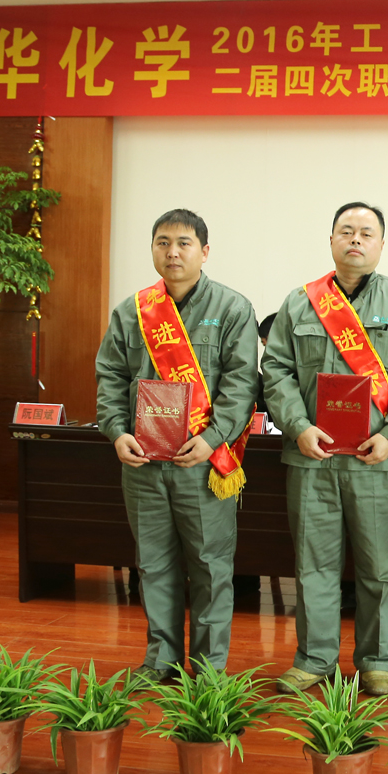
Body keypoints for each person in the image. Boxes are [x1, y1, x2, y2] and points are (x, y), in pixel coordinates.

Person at [262, 202, 388, 696]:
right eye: (346, 231)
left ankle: (377, 661)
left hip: (375, 458)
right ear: (332, 240)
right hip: (311, 457)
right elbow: (276, 372)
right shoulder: (300, 302)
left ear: (381, 244)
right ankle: (314, 659)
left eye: (366, 233)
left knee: (380, 566)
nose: (355, 240)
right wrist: (298, 427)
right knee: (313, 564)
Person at [94, 208, 259, 683]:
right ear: (152, 249)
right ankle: (160, 661)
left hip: (202, 464)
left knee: (210, 567)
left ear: (204, 252)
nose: (172, 252)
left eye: (184, 243)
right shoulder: (132, 311)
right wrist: (117, 432)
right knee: (153, 564)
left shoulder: (232, 308)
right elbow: (110, 376)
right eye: (162, 242)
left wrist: (211, 439)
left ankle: (208, 670)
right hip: (143, 463)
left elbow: (241, 384)